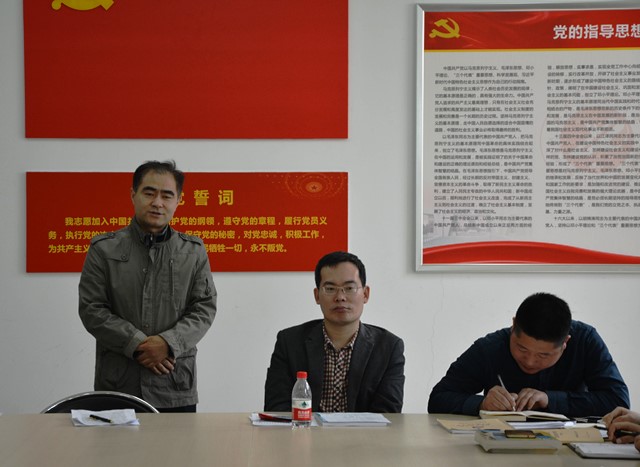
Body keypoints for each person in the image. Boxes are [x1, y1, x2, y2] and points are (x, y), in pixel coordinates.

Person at [79, 160, 217, 412]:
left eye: (167, 195)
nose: (157, 202)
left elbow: (203, 309)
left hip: (174, 384)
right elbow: (92, 309)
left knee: (178, 441)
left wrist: (167, 344)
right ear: (133, 195)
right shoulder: (104, 249)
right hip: (120, 383)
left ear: (178, 201)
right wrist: (137, 344)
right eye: (149, 193)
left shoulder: (193, 251)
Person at [428, 292, 629, 417]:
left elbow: (618, 401)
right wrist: (481, 403)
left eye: (543, 355)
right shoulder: (490, 348)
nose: (530, 361)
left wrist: (550, 399)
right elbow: (438, 398)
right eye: (522, 349)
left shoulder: (585, 341)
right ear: (513, 326)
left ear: (565, 343)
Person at [264, 251, 405, 413]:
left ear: (365, 294)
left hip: (363, 431)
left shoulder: (388, 347)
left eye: (349, 288)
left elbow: (388, 414)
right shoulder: (289, 342)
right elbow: (276, 407)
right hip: (305, 429)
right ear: (317, 296)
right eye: (330, 288)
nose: (340, 297)